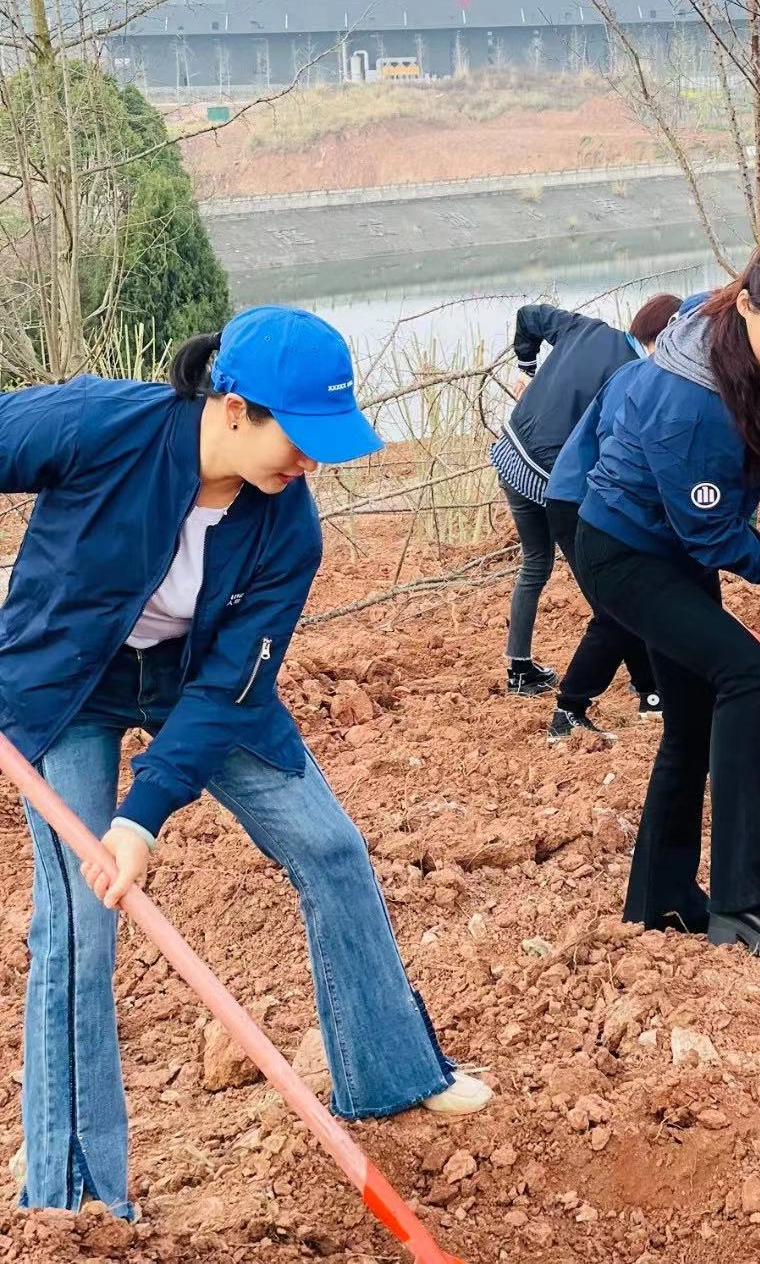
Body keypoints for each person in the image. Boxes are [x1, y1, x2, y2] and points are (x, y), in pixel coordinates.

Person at [2, 307, 488, 1222]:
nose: (306, 462)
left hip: (198, 687)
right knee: (78, 922)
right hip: (66, 684)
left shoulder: (287, 530)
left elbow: (228, 687)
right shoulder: (100, 425)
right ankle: (74, 1201)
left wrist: (143, 815)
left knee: (332, 848)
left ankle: (388, 1070)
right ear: (233, 407)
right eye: (296, 437)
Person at [572, 231, 760, 959]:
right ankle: (747, 902)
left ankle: (661, 897)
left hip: (661, 547)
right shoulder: (691, 403)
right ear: (748, 304)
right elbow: (714, 538)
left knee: (692, 720)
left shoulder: (722, 322)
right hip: (628, 556)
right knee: (745, 673)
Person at [491, 293, 680, 704]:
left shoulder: (587, 328)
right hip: (550, 480)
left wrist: (526, 368)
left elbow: (529, 315)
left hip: (509, 455)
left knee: (535, 565)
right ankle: (647, 687)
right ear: (663, 338)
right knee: (608, 587)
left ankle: (519, 669)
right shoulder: (635, 376)